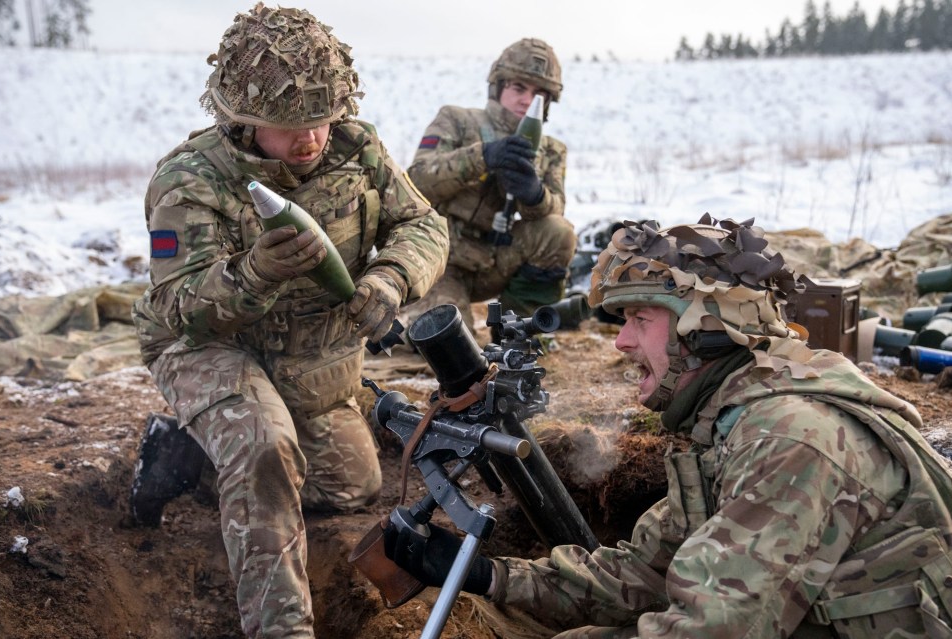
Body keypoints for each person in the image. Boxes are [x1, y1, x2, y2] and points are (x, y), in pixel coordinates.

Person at [384, 215, 952, 638]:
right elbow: (642, 574)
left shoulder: (788, 438)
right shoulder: (736, 417)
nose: (622, 341)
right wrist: (485, 575)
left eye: (639, 320)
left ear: (703, 329)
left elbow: (710, 628)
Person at [129, 4, 448, 638]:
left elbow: (424, 224)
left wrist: (392, 276)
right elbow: (176, 309)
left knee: (353, 485)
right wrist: (251, 276)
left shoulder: (358, 148)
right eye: (290, 125)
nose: (311, 139)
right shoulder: (189, 181)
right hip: (210, 350)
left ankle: (185, 453)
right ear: (243, 121)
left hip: (308, 364)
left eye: (321, 120)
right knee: (262, 447)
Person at [403, 37, 577, 329]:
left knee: (558, 232)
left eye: (539, 94)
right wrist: (483, 156)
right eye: (518, 88)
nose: (527, 100)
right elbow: (417, 178)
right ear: (498, 87)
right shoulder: (457, 120)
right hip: (441, 262)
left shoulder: (551, 150)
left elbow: (555, 208)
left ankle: (520, 331)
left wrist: (534, 195)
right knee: (451, 345)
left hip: (496, 261)